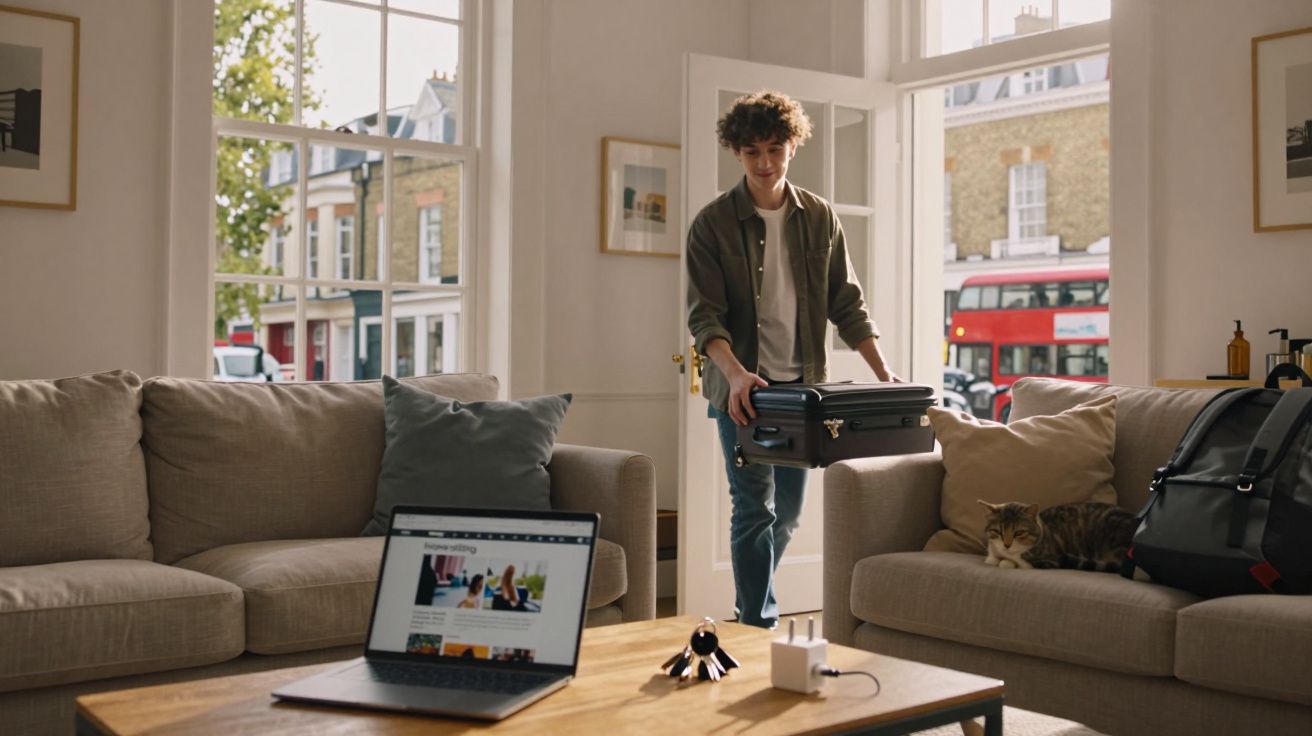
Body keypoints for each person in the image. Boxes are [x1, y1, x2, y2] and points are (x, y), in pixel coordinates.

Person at [685, 90, 900, 629]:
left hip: (804, 390)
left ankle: (750, 607)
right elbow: (704, 318)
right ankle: (757, 622)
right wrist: (735, 376)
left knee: (789, 514)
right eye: (752, 152)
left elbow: (846, 303)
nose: (764, 163)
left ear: (792, 147)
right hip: (744, 393)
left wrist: (884, 375)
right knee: (754, 507)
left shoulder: (819, 217)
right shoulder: (711, 224)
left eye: (775, 149)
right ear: (736, 152)